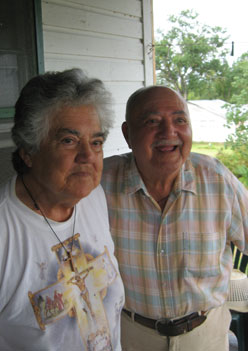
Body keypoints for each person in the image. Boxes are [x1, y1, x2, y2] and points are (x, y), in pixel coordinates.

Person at [101, 85, 248, 351]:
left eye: (179, 120)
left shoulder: (216, 179)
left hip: (206, 337)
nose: (169, 132)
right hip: (129, 336)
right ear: (127, 133)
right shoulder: (100, 184)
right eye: (152, 121)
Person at [0, 68, 125, 351]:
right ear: (28, 151)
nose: (88, 156)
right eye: (69, 141)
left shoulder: (92, 197)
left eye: (96, 142)